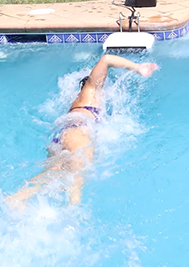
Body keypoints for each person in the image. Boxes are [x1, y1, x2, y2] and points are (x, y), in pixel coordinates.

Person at [5, 54, 158, 209]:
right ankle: (72, 213)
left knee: (55, 173)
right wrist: (138, 68)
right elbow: (106, 59)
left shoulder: (78, 103)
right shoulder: (92, 90)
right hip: (76, 131)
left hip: (61, 134)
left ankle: (17, 198)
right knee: (78, 175)